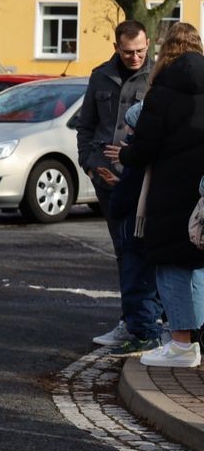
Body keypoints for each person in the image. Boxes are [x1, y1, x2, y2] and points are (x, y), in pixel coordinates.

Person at [107, 23, 204, 368]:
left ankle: (180, 345)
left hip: (172, 192)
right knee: (200, 266)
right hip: (202, 190)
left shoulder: (162, 91)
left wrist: (125, 155)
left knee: (173, 266)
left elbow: (146, 145)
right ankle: (196, 340)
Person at [76, 21, 153, 347]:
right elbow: (86, 125)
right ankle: (129, 320)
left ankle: (148, 322)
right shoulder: (100, 75)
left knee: (146, 252)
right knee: (123, 252)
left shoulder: (158, 77)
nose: (134, 57)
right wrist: (89, 164)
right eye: (127, 52)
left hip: (142, 180)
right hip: (107, 179)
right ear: (116, 47)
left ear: (148, 44)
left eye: (139, 51)